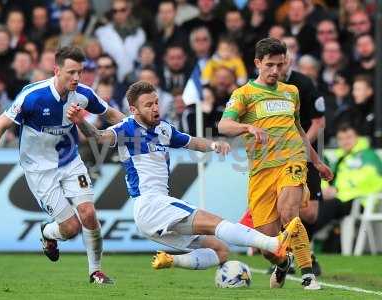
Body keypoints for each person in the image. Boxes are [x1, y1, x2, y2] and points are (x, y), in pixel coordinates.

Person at [66, 80, 299, 273]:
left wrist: (214, 145)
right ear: (134, 110)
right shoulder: (127, 129)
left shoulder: (163, 129)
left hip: (155, 212)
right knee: (216, 222)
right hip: (150, 203)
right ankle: (273, 243)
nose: (155, 108)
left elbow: (190, 141)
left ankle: (171, 260)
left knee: (220, 250)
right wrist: (80, 122)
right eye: (148, 105)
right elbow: (98, 137)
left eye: (156, 102)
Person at [0, 46, 125, 284]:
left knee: (89, 213)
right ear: (56, 70)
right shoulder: (33, 96)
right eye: (71, 72)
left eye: (79, 72)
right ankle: (48, 233)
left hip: (70, 161)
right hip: (39, 169)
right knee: (70, 229)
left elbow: (110, 114)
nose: (76, 78)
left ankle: (95, 271)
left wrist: (138, 124)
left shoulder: (83, 94)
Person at [218, 38, 333, 290]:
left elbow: (299, 130)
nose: (275, 71)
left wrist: (317, 162)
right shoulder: (243, 94)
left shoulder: (291, 92)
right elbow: (223, 125)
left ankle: (307, 275)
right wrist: (247, 126)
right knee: (268, 245)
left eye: (280, 65)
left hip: (291, 161)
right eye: (269, 65)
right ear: (257, 63)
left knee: (289, 212)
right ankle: (282, 263)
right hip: (261, 171)